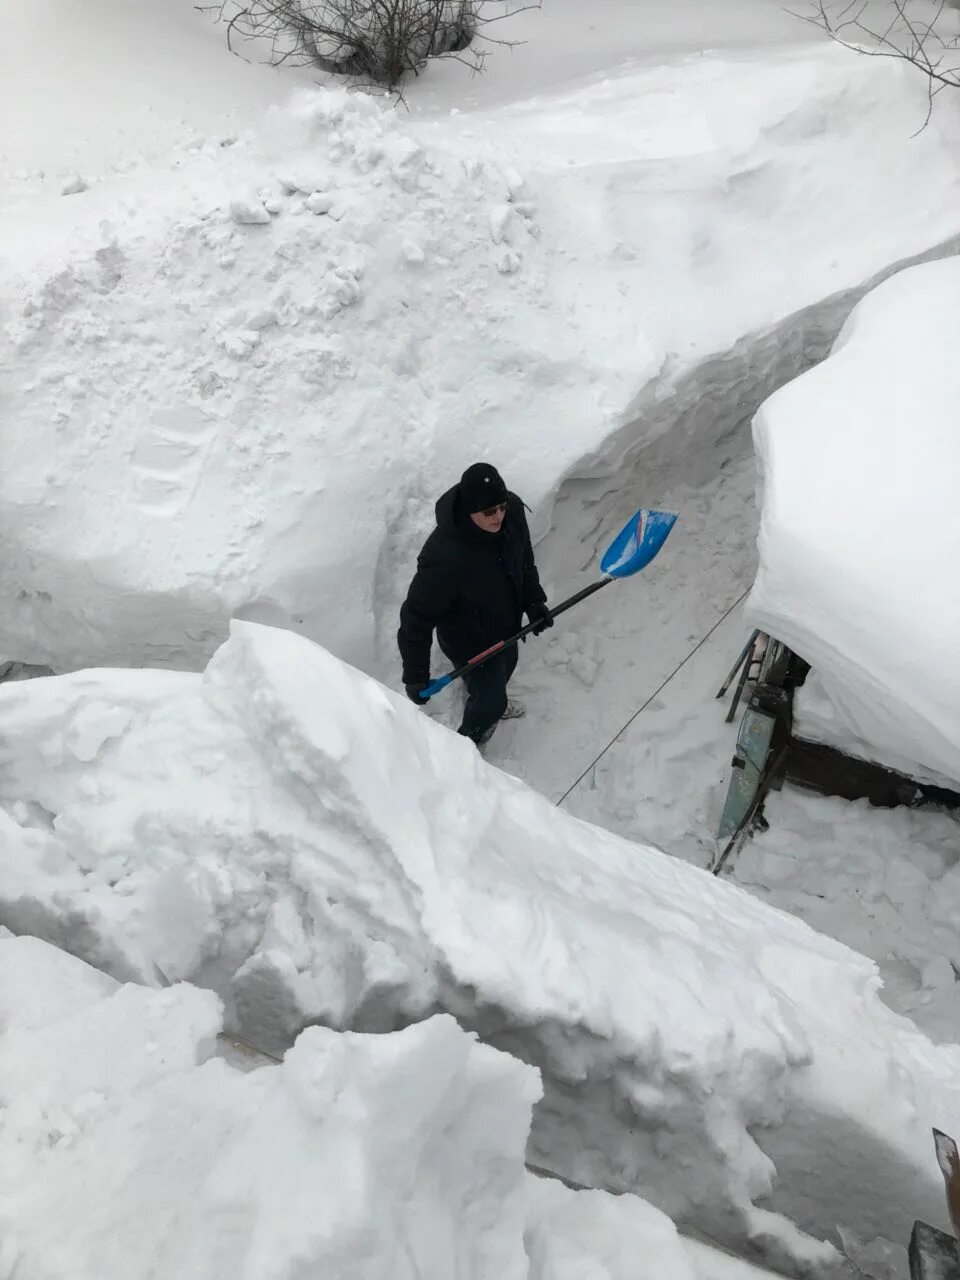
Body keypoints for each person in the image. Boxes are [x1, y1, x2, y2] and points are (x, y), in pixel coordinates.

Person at [398, 462, 553, 745]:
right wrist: (415, 675)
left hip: (506, 625)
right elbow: (416, 618)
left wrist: (533, 601)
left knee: (507, 667)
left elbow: (524, 561)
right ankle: (469, 743)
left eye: (502, 507)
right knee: (490, 701)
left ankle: (490, 701)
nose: (499, 517)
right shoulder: (444, 556)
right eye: (489, 512)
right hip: (469, 640)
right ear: (470, 512)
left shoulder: (513, 512)